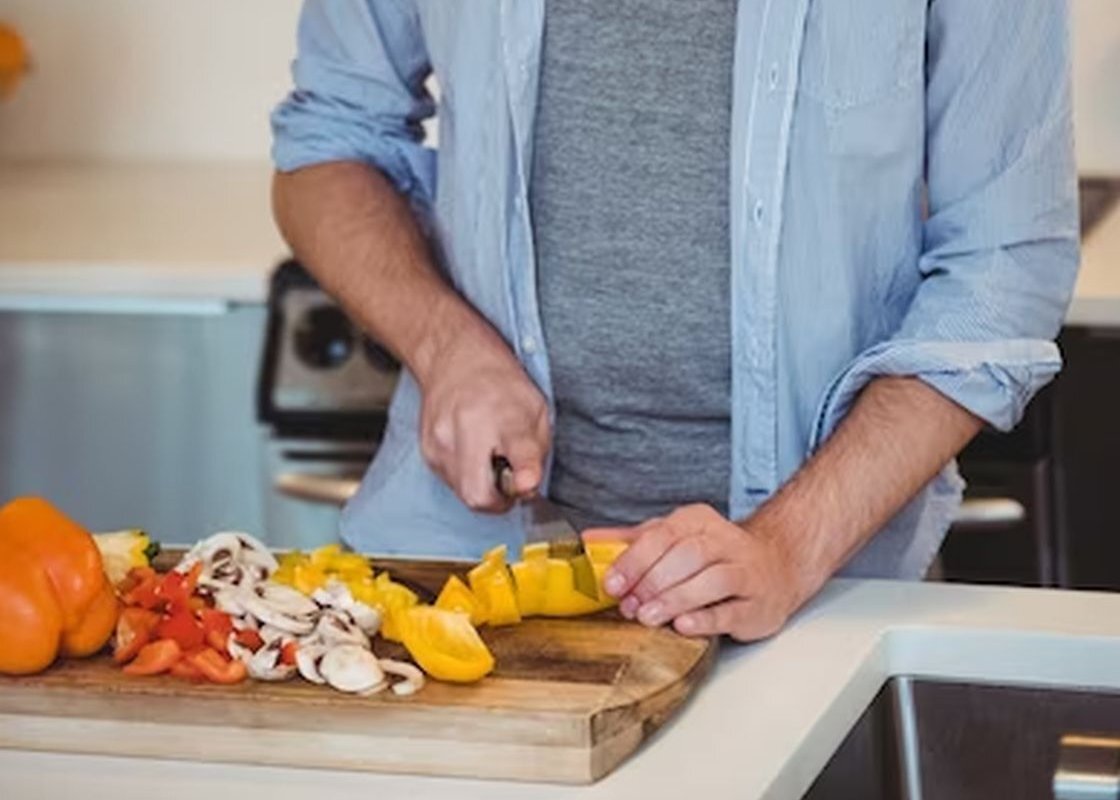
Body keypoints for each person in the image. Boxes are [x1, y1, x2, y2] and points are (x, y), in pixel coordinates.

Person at [270, 1, 1079, 642]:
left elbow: (1005, 262)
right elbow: (328, 143)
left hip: (823, 601)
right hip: (464, 581)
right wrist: (447, 347)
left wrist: (786, 547)